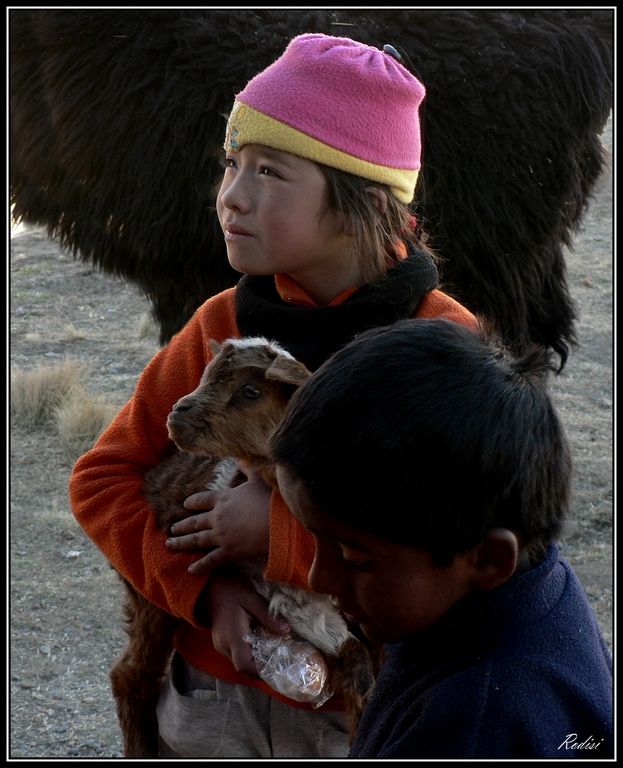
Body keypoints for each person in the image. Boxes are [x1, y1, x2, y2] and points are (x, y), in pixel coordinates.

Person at [69, 33, 479, 758]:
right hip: (210, 705)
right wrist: (201, 596)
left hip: (362, 719)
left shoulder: (440, 345)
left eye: (269, 171)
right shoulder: (221, 326)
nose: (231, 196)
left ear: (358, 199)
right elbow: (102, 479)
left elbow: (457, 539)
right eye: (231, 165)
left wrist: (278, 532)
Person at [270, 318, 614, 759]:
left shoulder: (472, 725)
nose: (318, 578)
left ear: (488, 560)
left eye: (355, 559)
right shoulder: (531, 586)